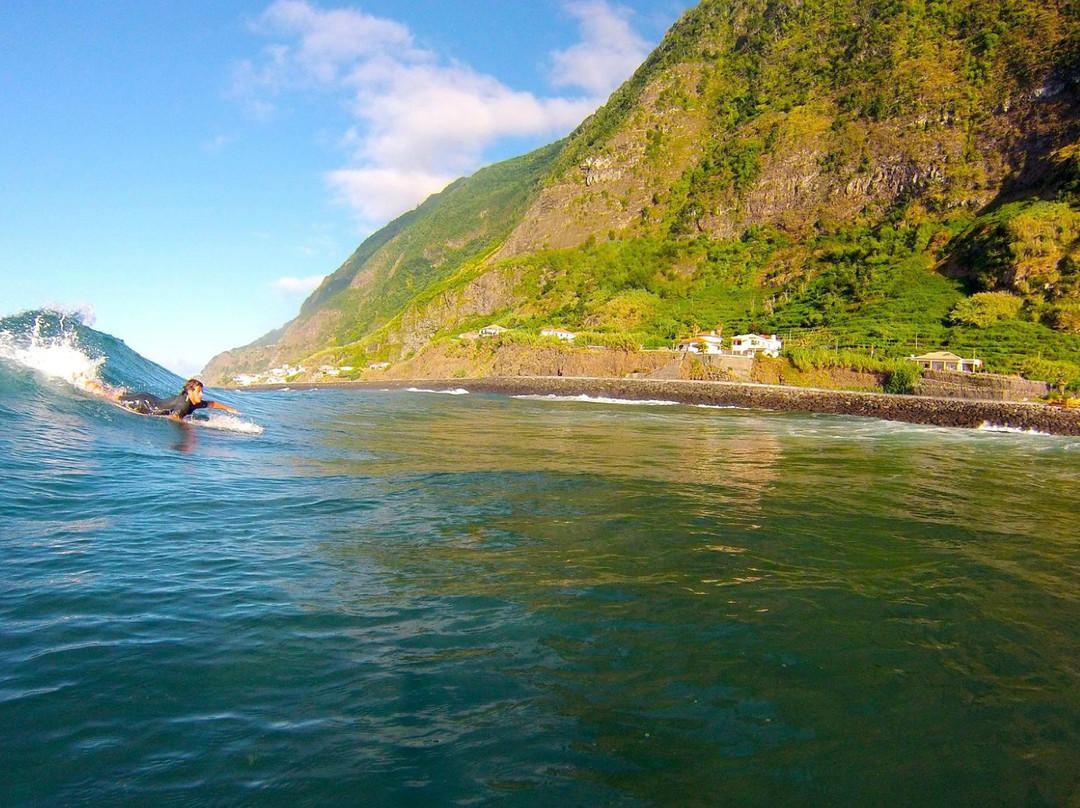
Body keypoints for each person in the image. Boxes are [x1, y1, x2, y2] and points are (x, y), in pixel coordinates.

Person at [118, 378, 240, 420]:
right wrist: (188, 426)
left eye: (202, 392)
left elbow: (211, 404)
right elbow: (174, 418)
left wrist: (228, 409)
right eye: (199, 392)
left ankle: (99, 386)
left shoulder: (194, 401)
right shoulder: (185, 404)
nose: (201, 395)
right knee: (113, 399)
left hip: (149, 398)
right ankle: (98, 388)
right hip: (144, 403)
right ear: (190, 391)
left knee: (117, 394)